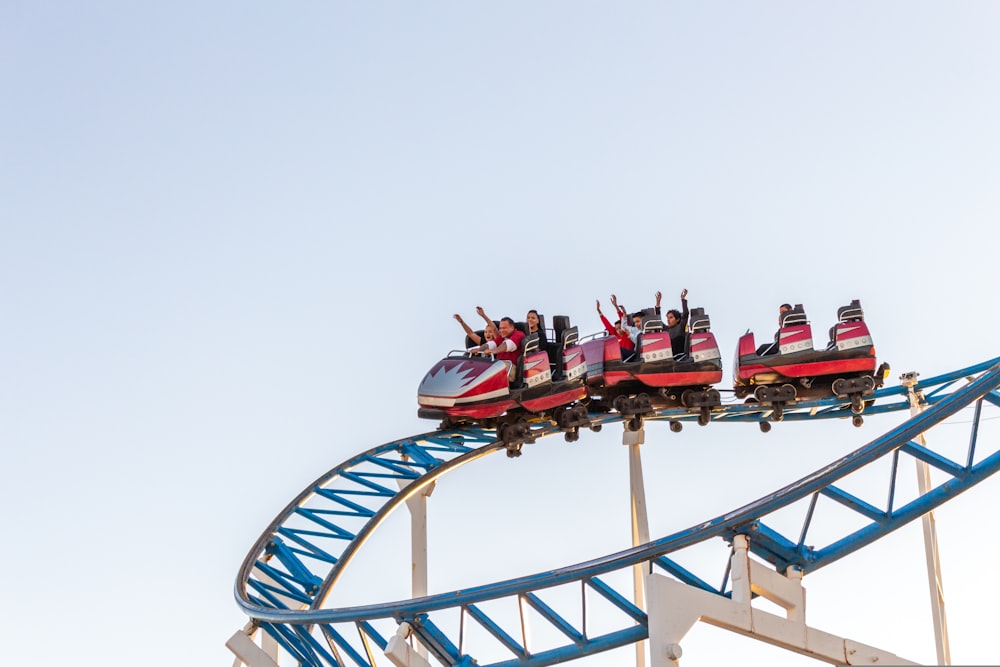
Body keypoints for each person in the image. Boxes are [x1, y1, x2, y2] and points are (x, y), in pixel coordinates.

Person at [471, 307, 526, 380]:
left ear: (512, 328)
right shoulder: (501, 337)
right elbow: (490, 344)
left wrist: (494, 351)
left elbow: (507, 345)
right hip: (498, 365)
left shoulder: (518, 334)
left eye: (504, 328)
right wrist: (478, 349)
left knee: (488, 375)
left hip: (510, 367)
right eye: (500, 328)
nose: (501, 330)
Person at [662, 288, 689, 356]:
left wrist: (683, 299)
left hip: (679, 353)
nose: (668, 320)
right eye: (667, 318)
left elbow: (685, 314)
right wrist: (658, 304)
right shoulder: (666, 329)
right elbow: (658, 322)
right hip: (668, 353)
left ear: (677, 319)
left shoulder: (680, 326)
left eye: (671, 318)